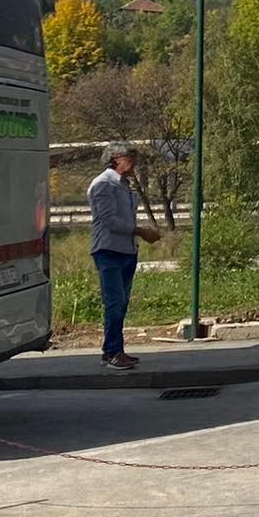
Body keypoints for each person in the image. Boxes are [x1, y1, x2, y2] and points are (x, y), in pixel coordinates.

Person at [88, 142, 160, 370]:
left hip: (127, 250)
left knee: (122, 304)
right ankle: (111, 353)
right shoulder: (103, 185)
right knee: (114, 303)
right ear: (117, 160)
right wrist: (140, 231)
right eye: (130, 160)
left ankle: (116, 350)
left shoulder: (123, 185)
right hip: (109, 251)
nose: (134, 165)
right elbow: (108, 221)